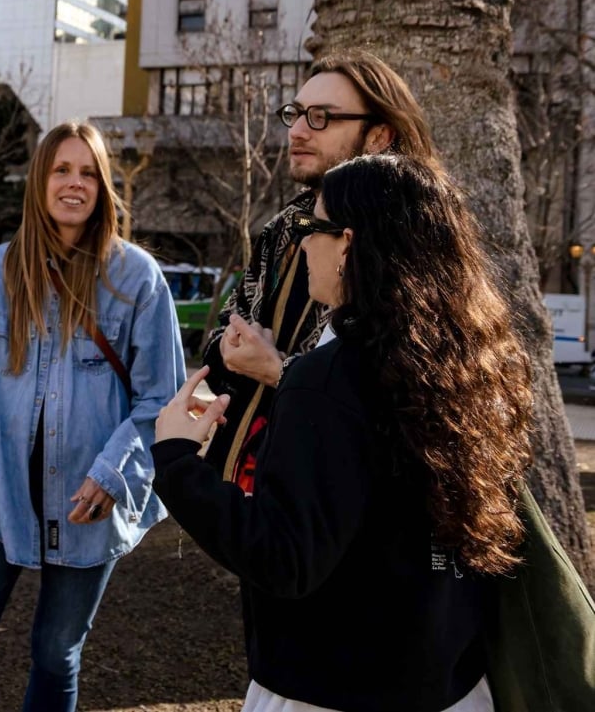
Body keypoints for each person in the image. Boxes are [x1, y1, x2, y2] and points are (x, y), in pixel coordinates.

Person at [153, 155, 531, 712]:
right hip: (455, 682)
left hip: (330, 689)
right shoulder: (470, 366)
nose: (302, 243)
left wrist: (178, 458)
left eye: (312, 227)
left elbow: (285, 559)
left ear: (349, 242)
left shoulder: (331, 377)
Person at [0, 121, 186, 712]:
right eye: (62, 170)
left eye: (89, 172)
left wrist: (116, 472)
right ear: (39, 181)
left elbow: (161, 400)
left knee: (56, 652)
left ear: (103, 185)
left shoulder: (137, 278)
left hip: (88, 506)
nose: (75, 183)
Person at [201, 51, 436, 491]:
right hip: (254, 497)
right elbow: (220, 340)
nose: (297, 131)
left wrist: (277, 370)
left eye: (321, 117)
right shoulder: (284, 227)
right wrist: (234, 351)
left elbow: (401, 397)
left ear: (379, 136)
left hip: (343, 511)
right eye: (295, 114)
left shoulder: (414, 242)